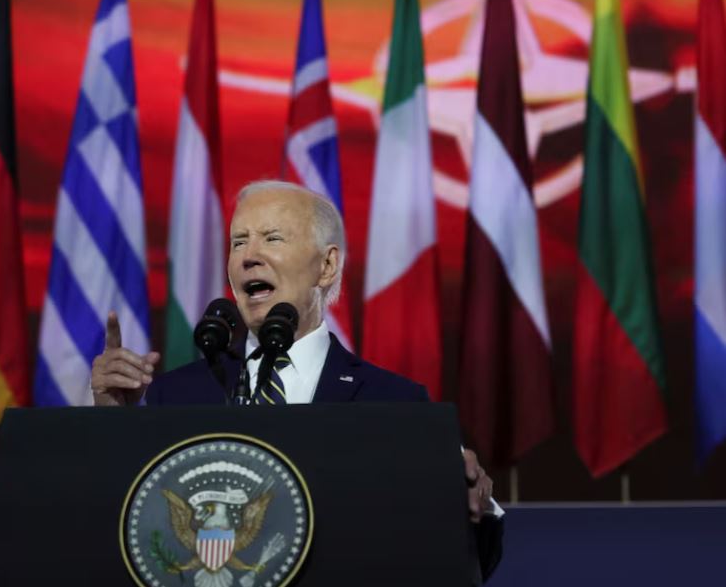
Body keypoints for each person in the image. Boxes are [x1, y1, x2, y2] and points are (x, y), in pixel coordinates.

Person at [91, 179, 503, 580]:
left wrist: (472, 505)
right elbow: (132, 543)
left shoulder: (395, 403)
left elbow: (462, 561)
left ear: (326, 266)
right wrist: (113, 427)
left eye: (272, 238)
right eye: (238, 242)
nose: (248, 257)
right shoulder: (176, 396)